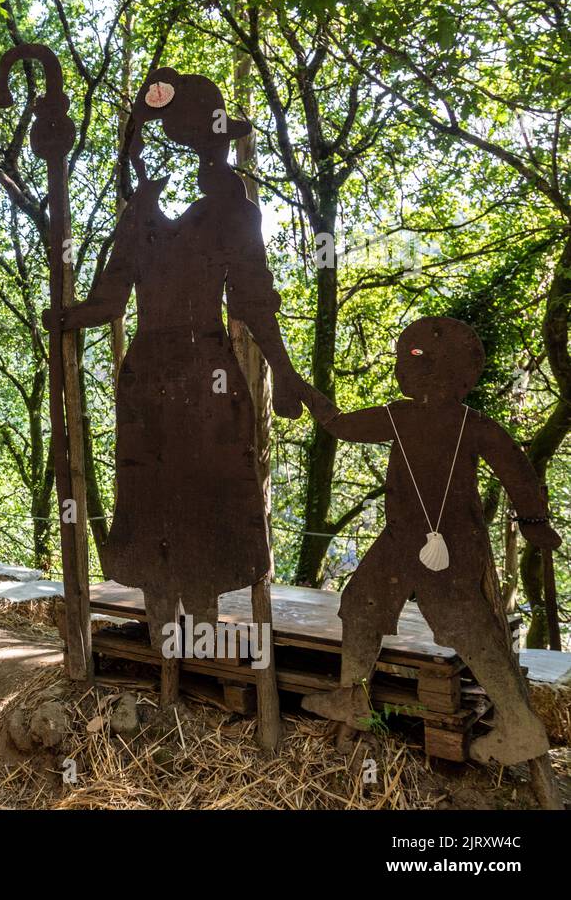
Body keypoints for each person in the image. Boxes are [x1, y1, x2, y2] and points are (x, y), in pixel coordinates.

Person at [45, 67, 305, 639]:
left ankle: (202, 631)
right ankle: (164, 623)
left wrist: (286, 375)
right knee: (151, 491)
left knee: (210, 492)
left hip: (207, 375)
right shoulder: (139, 218)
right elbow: (110, 300)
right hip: (149, 381)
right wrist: (68, 317)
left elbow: (252, 300)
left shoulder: (233, 212)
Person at [300, 317, 557, 764]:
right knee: (361, 603)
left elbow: (514, 468)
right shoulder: (420, 419)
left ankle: (519, 723)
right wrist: (533, 518)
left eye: (412, 359)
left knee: (468, 627)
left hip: (451, 543)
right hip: (403, 538)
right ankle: (352, 695)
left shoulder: (461, 424)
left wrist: (534, 519)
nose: (404, 367)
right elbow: (340, 426)